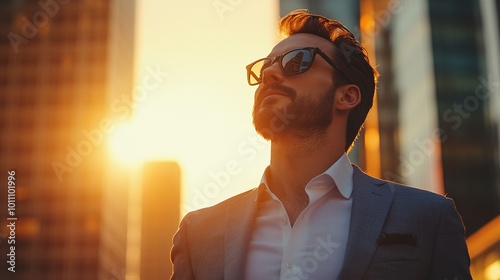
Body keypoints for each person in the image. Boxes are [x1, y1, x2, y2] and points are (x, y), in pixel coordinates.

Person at [170, 10, 471, 280]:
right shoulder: (198, 232)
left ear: (347, 97)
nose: (271, 74)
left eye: (297, 61)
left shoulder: (428, 217)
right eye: (266, 68)